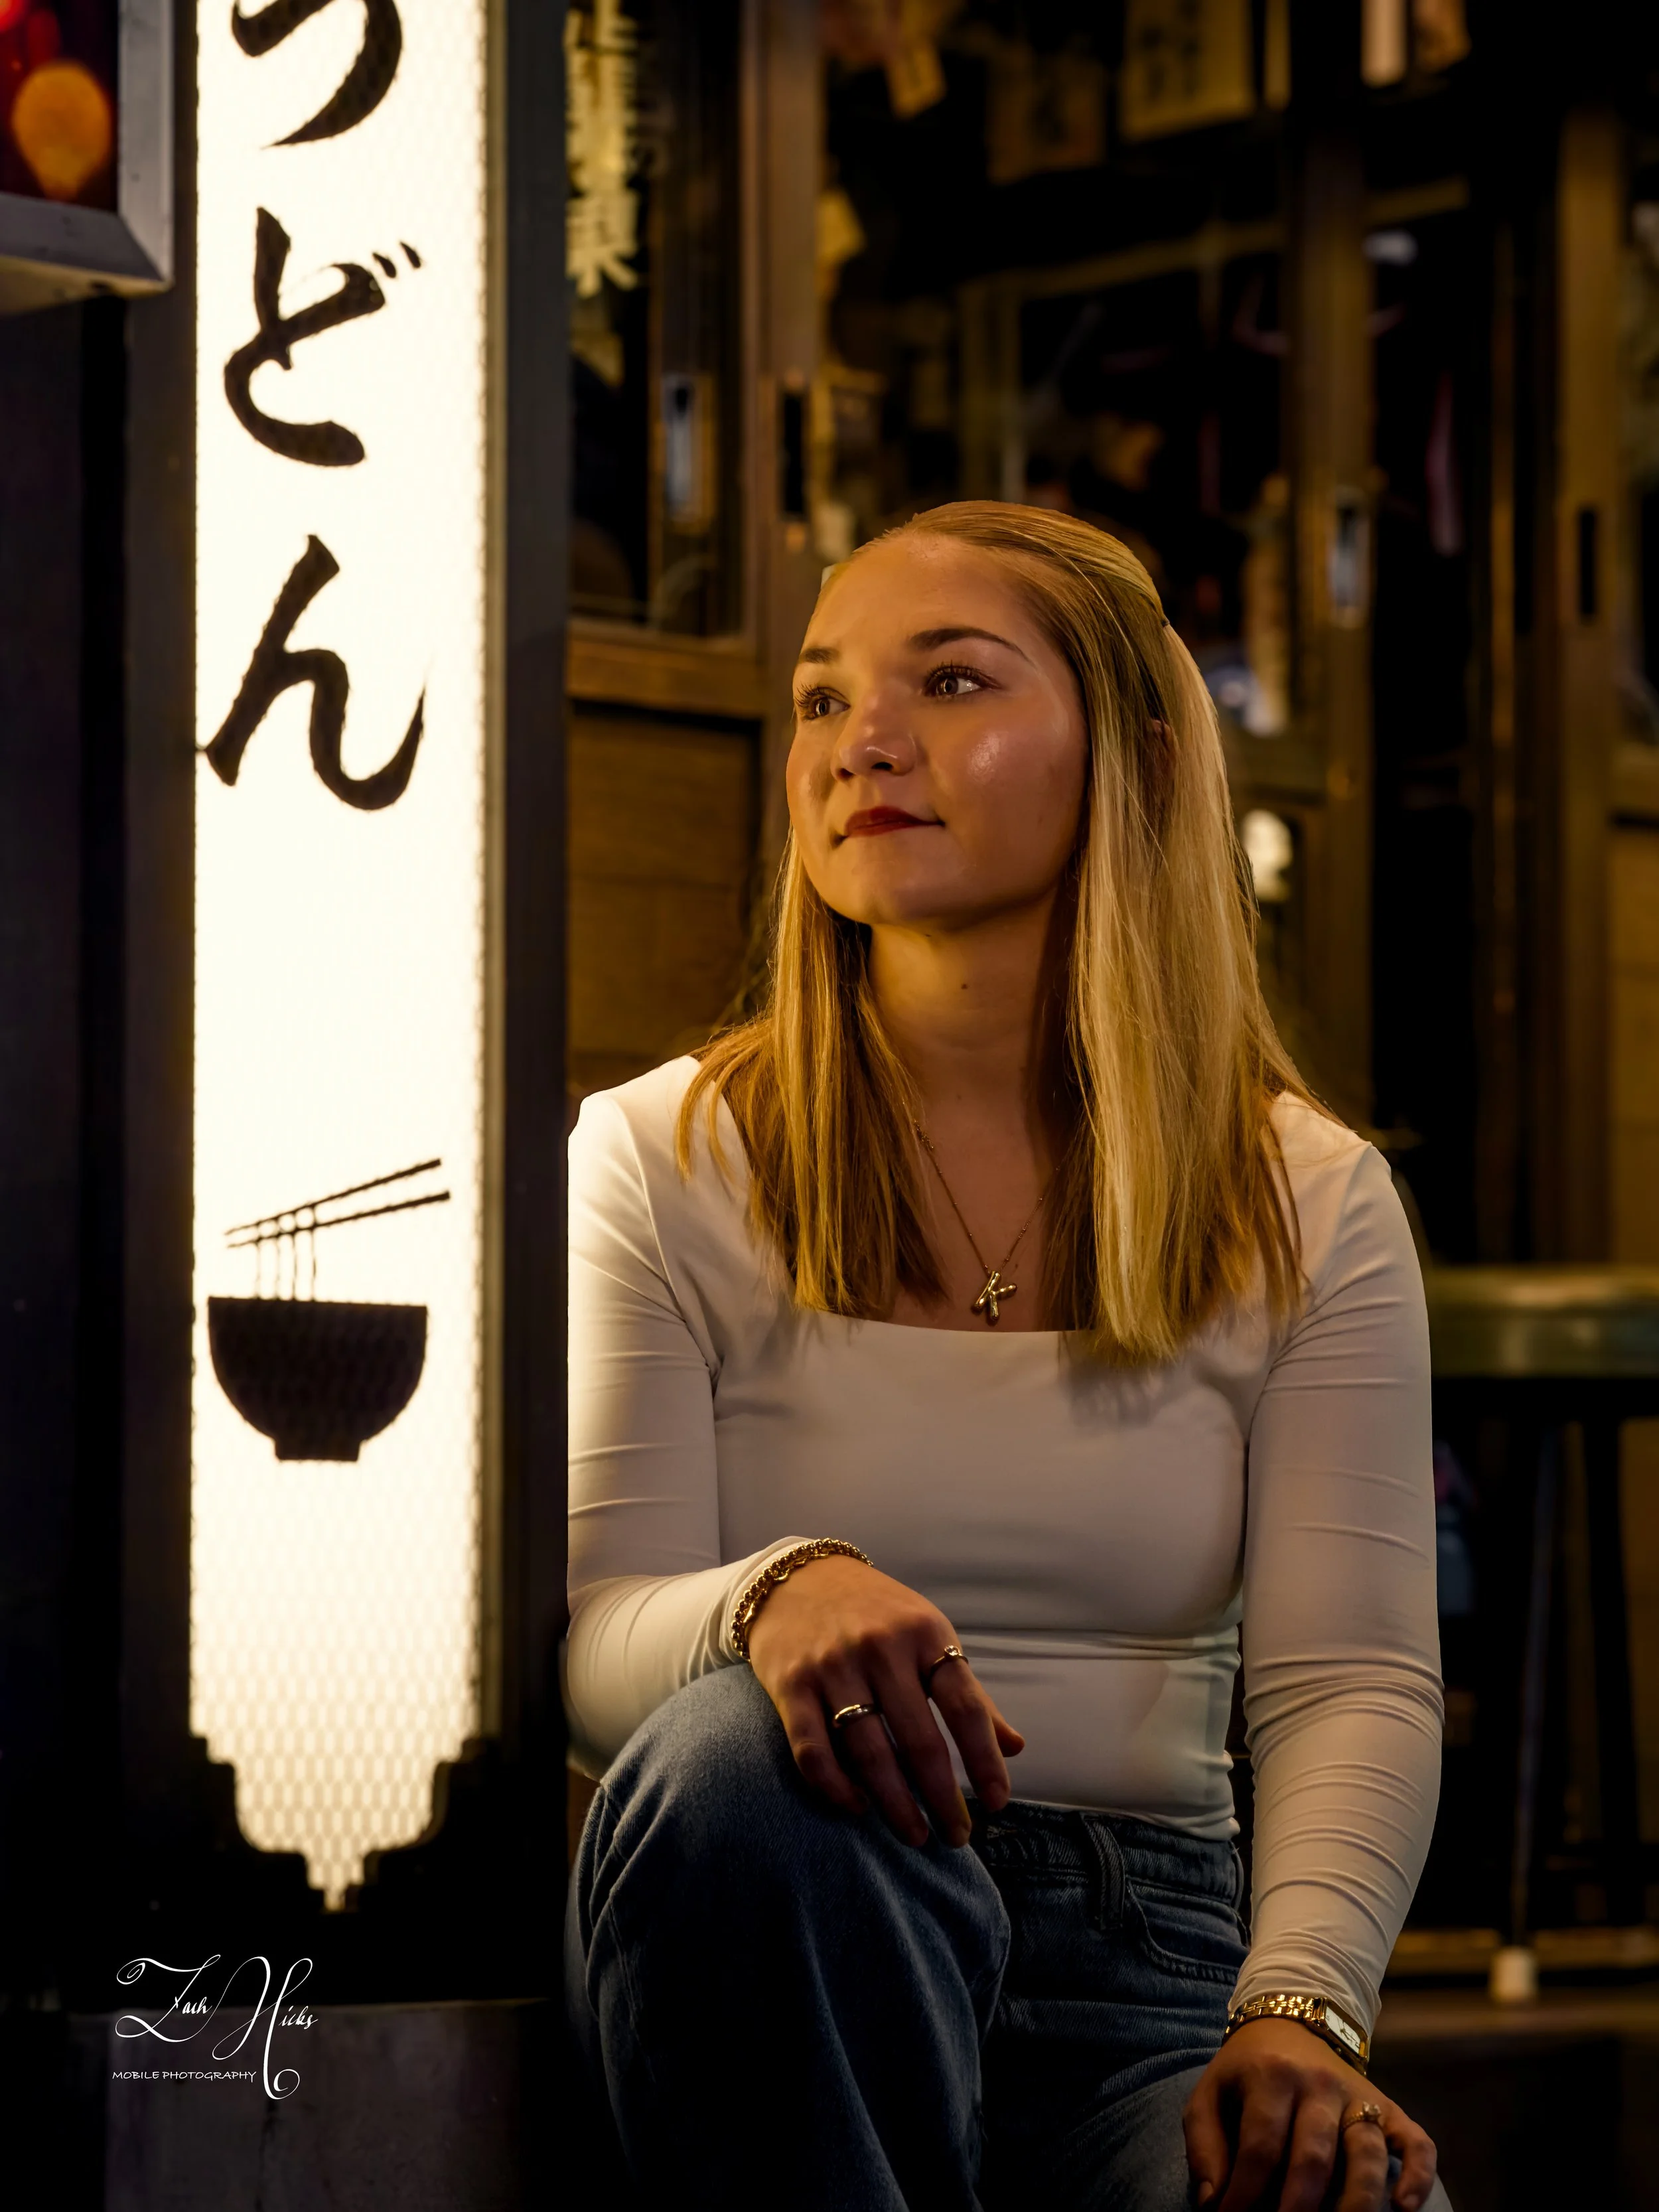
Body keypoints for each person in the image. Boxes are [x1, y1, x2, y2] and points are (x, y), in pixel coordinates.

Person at [564, 503, 1450, 2212]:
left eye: (947, 681)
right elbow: (590, 1634)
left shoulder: (1308, 1195)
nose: (861, 743)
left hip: (1152, 1972)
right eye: (821, 700)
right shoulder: (660, 1154)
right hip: (783, 1946)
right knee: (731, 1759)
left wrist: (1300, 2007)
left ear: (1131, 756)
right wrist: (770, 1596)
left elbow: (1348, 1681)